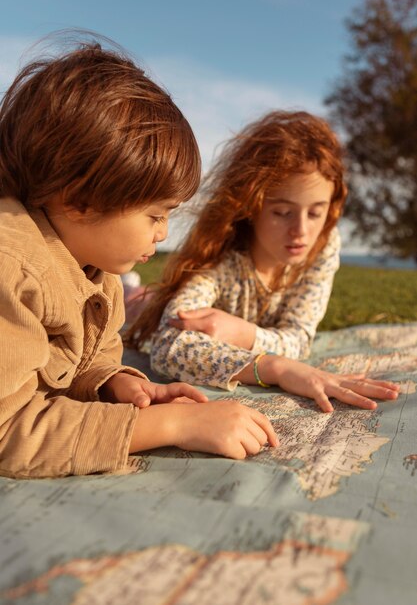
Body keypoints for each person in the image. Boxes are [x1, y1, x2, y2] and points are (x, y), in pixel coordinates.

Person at [0, 37, 278, 478]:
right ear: (81, 200)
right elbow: (9, 432)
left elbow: (80, 363)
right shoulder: (11, 267)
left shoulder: (96, 267)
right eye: (155, 214)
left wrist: (112, 385)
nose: (164, 232)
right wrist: (169, 423)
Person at [127, 111, 400, 412]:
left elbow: (299, 335)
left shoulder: (323, 245)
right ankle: (131, 291)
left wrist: (242, 333)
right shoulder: (222, 262)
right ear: (251, 206)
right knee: (138, 305)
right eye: (282, 212)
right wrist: (277, 368)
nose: (301, 231)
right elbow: (169, 348)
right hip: (143, 305)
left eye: (315, 212)